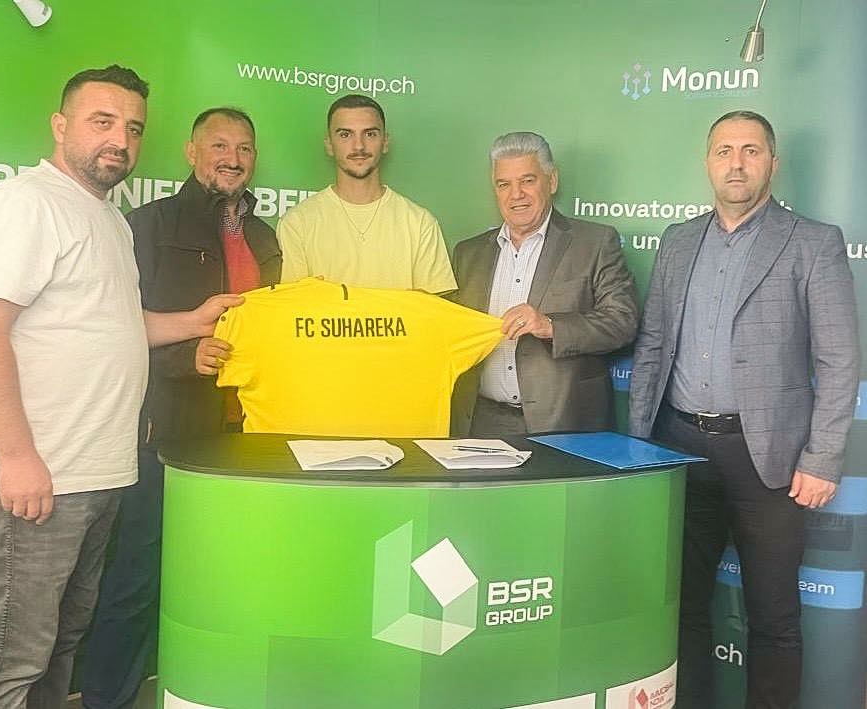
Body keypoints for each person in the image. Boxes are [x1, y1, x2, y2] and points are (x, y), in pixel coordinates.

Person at [0, 66, 239, 709]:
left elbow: (114, 324)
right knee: (12, 657)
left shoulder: (109, 218)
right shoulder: (29, 203)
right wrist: (17, 457)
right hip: (39, 479)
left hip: (95, 474)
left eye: (133, 128)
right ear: (61, 126)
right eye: (102, 122)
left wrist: (192, 322)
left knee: (59, 646)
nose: (120, 140)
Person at [628, 110, 859, 709]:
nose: (736, 163)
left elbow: (839, 359)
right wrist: (640, 445)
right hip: (680, 449)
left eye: (751, 151)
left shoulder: (812, 242)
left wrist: (822, 458)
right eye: (724, 150)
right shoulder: (679, 241)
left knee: (774, 619)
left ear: (772, 163)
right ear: (708, 162)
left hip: (772, 462)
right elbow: (653, 344)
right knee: (683, 607)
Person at [80, 107, 281, 709]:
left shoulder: (266, 237)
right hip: (162, 429)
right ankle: (107, 699)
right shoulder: (146, 225)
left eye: (244, 148)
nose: (232, 158)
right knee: (135, 577)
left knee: (226, 575)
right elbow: (111, 325)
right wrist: (182, 358)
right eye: (219, 145)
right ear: (191, 153)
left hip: (246, 435)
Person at [451, 131, 638, 435]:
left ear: (552, 181)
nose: (516, 194)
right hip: (481, 423)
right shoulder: (468, 253)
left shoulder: (595, 242)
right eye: (504, 184)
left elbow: (623, 323)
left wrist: (550, 326)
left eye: (527, 180)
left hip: (565, 423)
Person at [275, 93, 456, 293]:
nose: (359, 146)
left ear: (385, 142)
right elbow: (292, 306)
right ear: (329, 145)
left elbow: (434, 309)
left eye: (370, 134)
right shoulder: (297, 223)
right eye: (345, 135)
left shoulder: (420, 223)